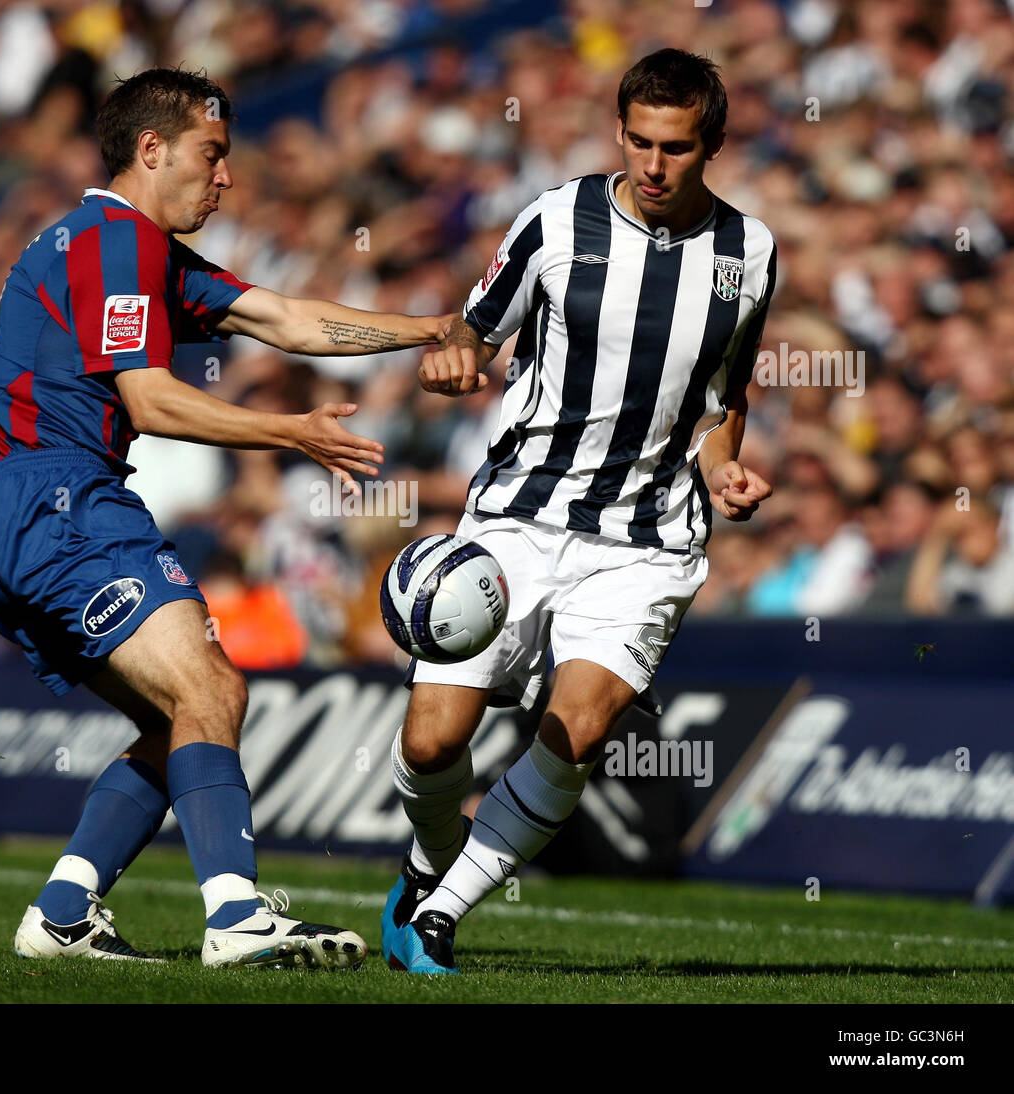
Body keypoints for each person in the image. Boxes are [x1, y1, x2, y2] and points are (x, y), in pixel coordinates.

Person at [0, 67, 445, 969]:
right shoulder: (117, 239)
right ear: (152, 150)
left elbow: (290, 319)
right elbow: (148, 400)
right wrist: (290, 432)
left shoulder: (127, 248)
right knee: (213, 690)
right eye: (212, 156)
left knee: (178, 718)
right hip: (64, 500)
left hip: (10, 518)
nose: (227, 178)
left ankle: (62, 915)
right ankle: (235, 917)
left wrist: (432, 329)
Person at [381, 49, 777, 974]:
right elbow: (472, 329)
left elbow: (725, 399)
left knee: (582, 726)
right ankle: (426, 869)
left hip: (645, 540)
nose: (652, 164)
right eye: (638, 141)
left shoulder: (749, 255)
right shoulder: (555, 222)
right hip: (518, 519)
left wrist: (723, 469)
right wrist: (452, 357)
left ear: (710, 144)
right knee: (434, 740)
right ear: (619, 132)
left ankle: (442, 917)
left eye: (675, 147)